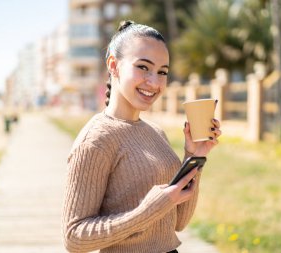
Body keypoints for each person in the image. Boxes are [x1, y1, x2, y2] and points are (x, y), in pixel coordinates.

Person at [62, 20, 222, 253]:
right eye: (143, 67)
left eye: (162, 72)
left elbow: (179, 221)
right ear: (113, 66)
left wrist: (194, 156)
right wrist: (149, 210)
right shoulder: (95, 140)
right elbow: (74, 238)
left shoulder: (155, 133)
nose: (154, 82)